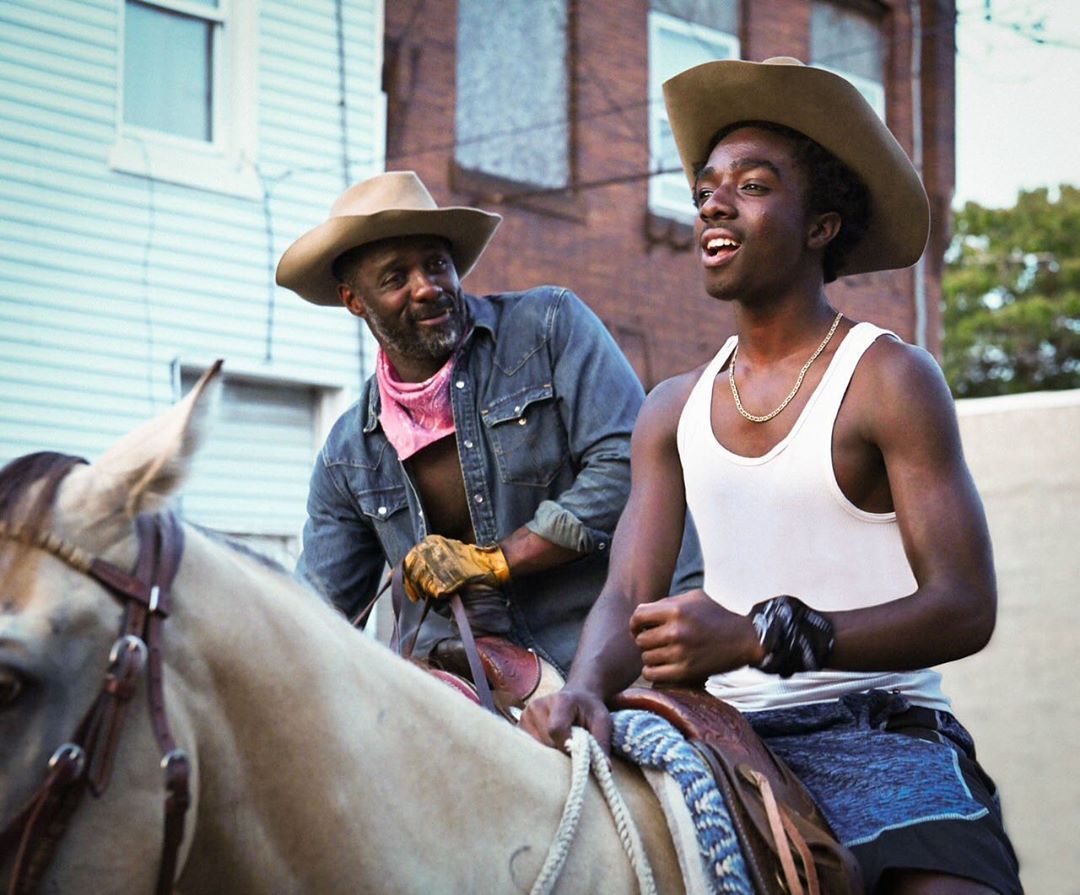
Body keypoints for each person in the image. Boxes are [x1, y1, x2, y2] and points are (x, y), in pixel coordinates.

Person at [521, 58, 1021, 894]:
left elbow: (965, 606)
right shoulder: (670, 409)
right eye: (706, 189)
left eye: (751, 186)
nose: (713, 203)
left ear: (821, 225)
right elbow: (630, 591)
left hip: (882, 731)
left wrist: (760, 636)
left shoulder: (889, 378)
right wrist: (583, 689)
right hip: (726, 740)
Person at [276, 171, 700, 674]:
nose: (427, 287)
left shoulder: (548, 330)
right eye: (395, 278)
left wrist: (498, 560)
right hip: (451, 682)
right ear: (353, 300)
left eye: (437, 265)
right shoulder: (349, 456)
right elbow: (317, 613)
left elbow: (630, 468)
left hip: (607, 656)